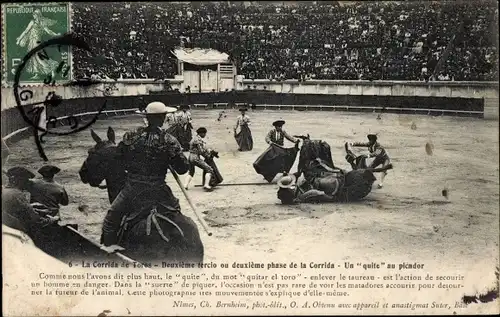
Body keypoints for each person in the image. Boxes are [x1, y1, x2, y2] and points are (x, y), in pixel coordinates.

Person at [100, 101, 190, 251]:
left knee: (111, 219)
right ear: (162, 118)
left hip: (133, 188)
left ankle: (109, 249)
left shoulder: (131, 136)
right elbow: (182, 168)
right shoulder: (169, 141)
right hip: (159, 190)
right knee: (177, 213)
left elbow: (119, 159)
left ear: (147, 117)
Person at [2, 167, 59, 239]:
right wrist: (52, 220)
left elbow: (16, 210)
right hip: (21, 233)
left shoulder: (5, 191)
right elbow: (36, 221)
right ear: (17, 180)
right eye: (25, 180)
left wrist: (30, 207)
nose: (28, 183)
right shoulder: (17, 194)